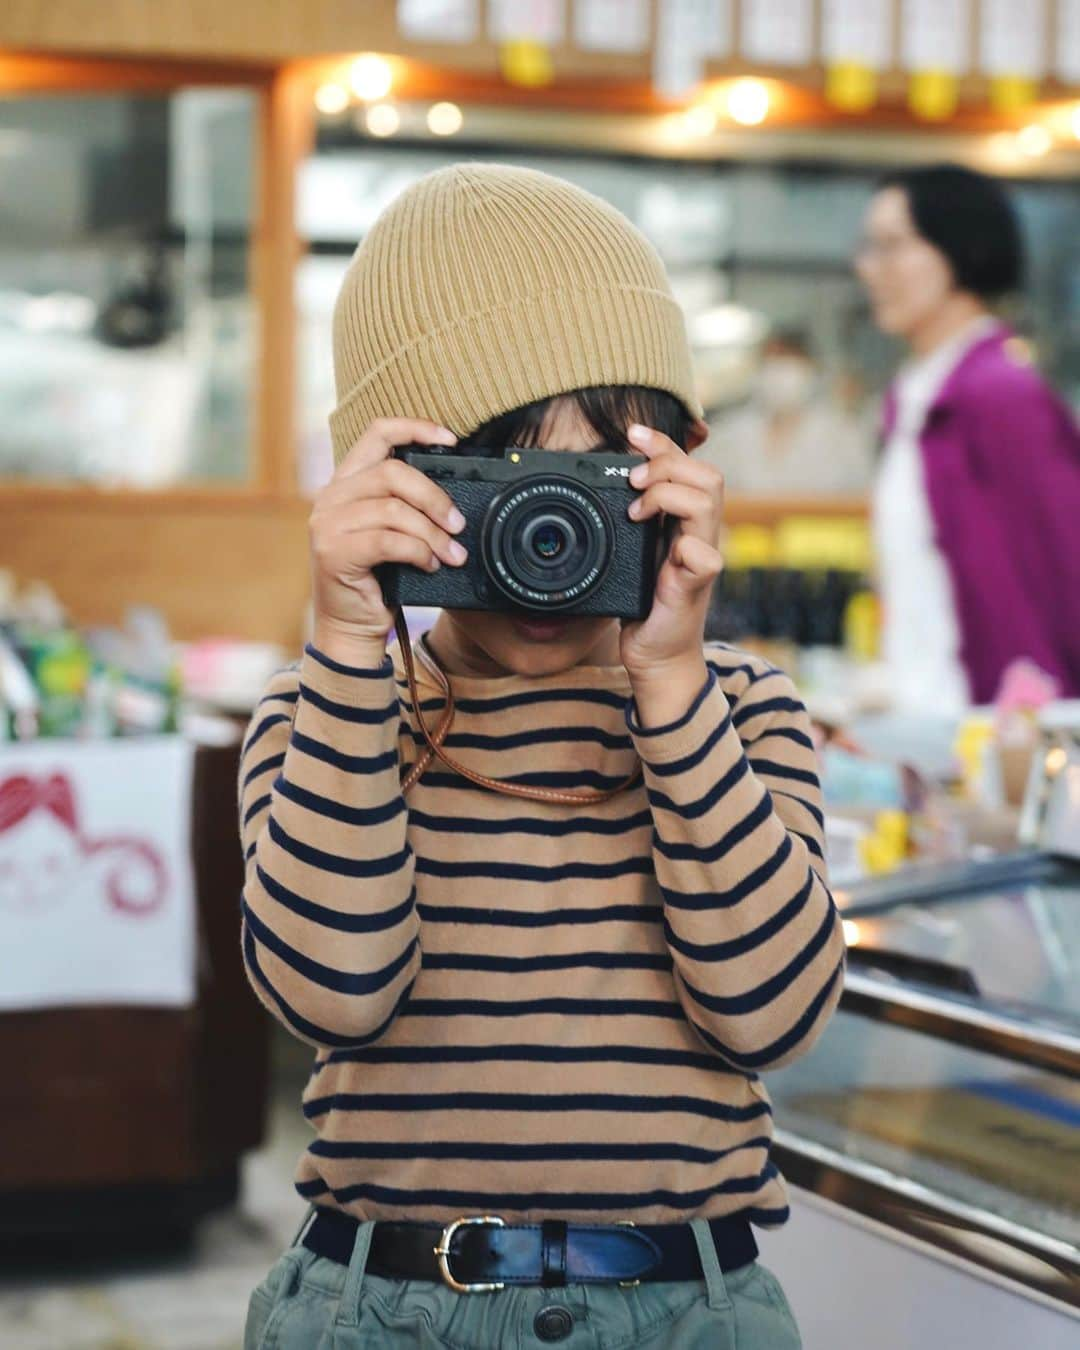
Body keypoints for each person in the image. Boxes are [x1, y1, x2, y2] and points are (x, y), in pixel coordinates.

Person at [238, 163, 845, 1349]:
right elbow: (333, 994)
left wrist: (671, 680)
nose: (545, 537)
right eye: (492, 483)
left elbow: (773, 1016)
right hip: (379, 1306)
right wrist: (351, 643)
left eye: (592, 485)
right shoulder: (327, 713)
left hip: (687, 1308)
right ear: (391, 482)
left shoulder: (744, 708)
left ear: (679, 473)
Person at [855, 163, 1080, 713]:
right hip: (931, 731)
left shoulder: (1000, 395)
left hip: (1002, 739)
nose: (870, 268)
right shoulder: (912, 396)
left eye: (893, 246)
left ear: (960, 248)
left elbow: (1065, 568)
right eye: (869, 247)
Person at [706, 329, 873, 496]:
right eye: (771, 362)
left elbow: (862, 497)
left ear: (811, 370)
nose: (779, 374)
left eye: (788, 362)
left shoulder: (842, 432)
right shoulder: (728, 433)